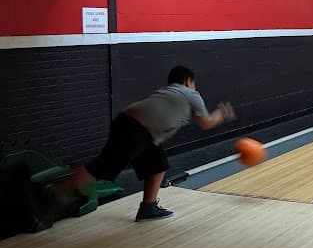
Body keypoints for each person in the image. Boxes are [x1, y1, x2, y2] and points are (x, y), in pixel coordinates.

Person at [64, 65, 235, 221]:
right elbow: (206, 123)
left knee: (157, 164)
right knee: (102, 168)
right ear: (188, 81)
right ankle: (54, 193)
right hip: (135, 129)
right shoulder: (191, 94)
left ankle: (148, 207)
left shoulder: (168, 92)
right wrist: (221, 113)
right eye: (194, 83)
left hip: (135, 127)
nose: (195, 87)